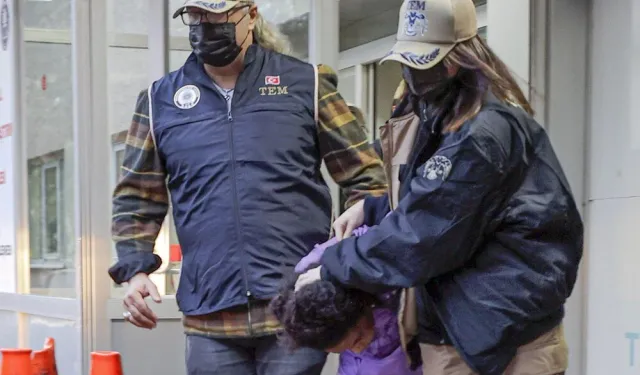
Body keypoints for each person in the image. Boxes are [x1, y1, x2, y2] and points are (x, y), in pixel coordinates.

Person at [295, 0, 584, 374]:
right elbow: (441, 202)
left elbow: (424, 235)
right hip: (463, 325)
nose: (413, 74)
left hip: (504, 335)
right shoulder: (443, 121)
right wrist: (372, 209)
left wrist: (333, 266)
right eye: (408, 62)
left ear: (459, 59)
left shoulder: (480, 134)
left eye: (425, 63)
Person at [108, 1, 387, 374]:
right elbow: (136, 197)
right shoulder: (160, 101)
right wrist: (136, 270)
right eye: (197, 16)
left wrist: (342, 259)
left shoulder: (307, 83)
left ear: (251, 15)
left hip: (295, 304)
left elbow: (368, 177)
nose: (206, 26)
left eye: (218, 15)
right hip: (210, 316)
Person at [271, 226, 420, 375]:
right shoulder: (304, 300)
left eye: (358, 339)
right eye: (346, 348)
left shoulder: (377, 258)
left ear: (358, 307)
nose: (358, 349)